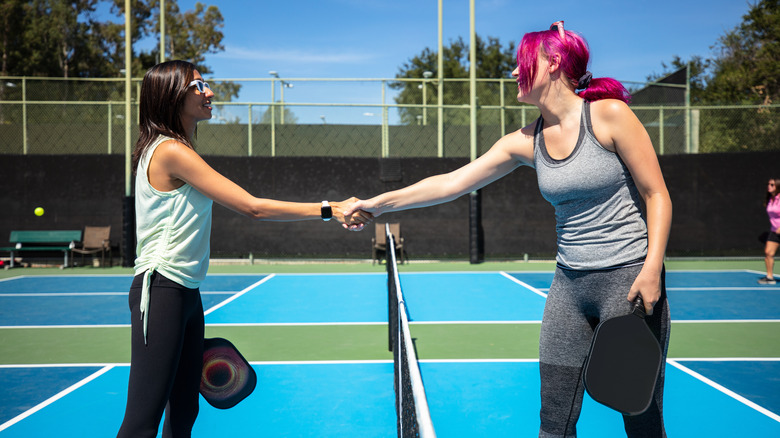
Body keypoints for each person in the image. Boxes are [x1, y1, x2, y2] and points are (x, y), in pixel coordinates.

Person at [346, 21, 672, 437]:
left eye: (523, 63)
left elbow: (656, 194)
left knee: (642, 423)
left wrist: (651, 269)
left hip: (627, 283)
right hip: (568, 287)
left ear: (554, 63)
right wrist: (373, 205)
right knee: (553, 423)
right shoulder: (524, 141)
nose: (515, 73)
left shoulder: (609, 115)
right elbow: (450, 183)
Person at [116, 60, 370, 438]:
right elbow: (252, 207)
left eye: (205, 85)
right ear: (172, 95)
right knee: (142, 421)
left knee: (184, 411)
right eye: (197, 87)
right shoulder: (170, 151)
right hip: (162, 289)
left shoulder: (175, 148)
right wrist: (328, 209)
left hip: (185, 291)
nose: (209, 92)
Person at [759, 178, 780, 284]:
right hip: (774, 231)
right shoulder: (771, 200)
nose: (769, 186)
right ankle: (770, 277)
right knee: (768, 252)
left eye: (772, 184)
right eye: (768, 184)